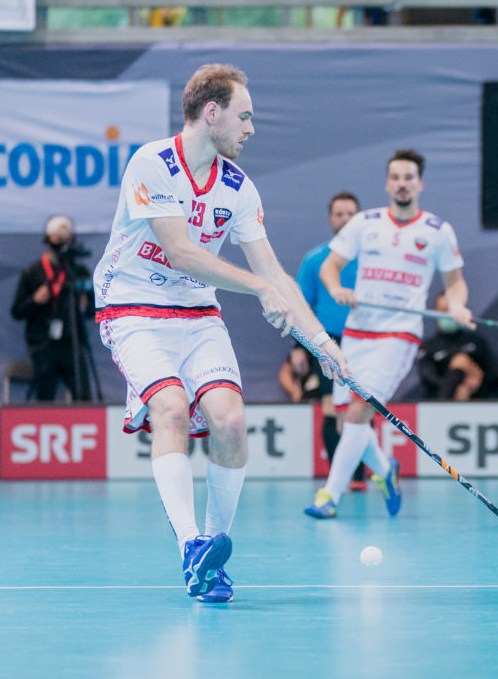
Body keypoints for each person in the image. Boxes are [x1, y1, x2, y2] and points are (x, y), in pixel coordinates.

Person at [93, 63, 348, 604]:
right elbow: (181, 253)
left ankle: (212, 552)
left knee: (230, 420)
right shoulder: (152, 163)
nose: (251, 128)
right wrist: (258, 288)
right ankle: (190, 546)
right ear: (212, 112)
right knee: (170, 407)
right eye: (244, 116)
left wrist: (323, 344)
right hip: (133, 307)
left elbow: (274, 271)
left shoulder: (238, 187)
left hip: (196, 312)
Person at [304, 148, 473, 520]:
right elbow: (330, 267)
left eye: (408, 177)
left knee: (360, 410)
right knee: (347, 417)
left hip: (399, 334)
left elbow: (455, 282)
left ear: (420, 183)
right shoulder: (365, 223)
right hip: (357, 332)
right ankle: (385, 469)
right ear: (387, 184)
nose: (402, 183)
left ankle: (329, 497)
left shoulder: (437, 231)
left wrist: (457, 305)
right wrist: (336, 289)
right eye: (395, 177)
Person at [294, 191, 365, 489]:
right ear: (330, 219)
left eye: (351, 214)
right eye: (340, 214)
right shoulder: (315, 259)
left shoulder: (372, 258)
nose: (346, 219)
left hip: (365, 339)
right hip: (328, 342)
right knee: (330, 407)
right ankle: (340, 479)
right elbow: (301, 306)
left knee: (362, 406)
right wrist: (298, 348)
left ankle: (359, 476)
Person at [11, 214, 95, 402]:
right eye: (58, 239)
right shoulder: (33, 272)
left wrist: (85, 305)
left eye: (67, 239)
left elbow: (93, 310)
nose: (63, 243)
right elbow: (17, 311)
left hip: (73, 345)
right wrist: (34, 300)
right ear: (48, 240)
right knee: (45, 398)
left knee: (83, 398)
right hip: (43, 345)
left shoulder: (79, 272)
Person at [415, 293, 498, 400]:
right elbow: (429, 381)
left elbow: (493, 373)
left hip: (480, 401)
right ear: (436, 313)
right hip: (441, 403)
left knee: (462, 361)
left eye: (451, 310)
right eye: (444, 310)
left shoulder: (476, 340)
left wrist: (474, 381)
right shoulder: (428, 348)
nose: (448, 315)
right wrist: (457, 386)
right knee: (460, 362)